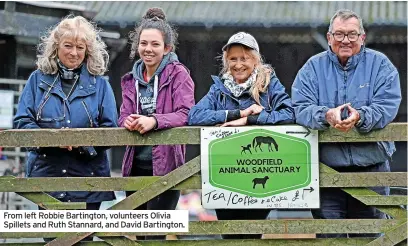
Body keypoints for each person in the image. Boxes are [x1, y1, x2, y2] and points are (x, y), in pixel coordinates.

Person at [291, 9, 401, 238]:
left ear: (362, 37)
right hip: (325, 169)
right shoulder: (312, 68)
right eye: (339, 34)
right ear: (329, 37)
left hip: (372, 166)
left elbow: (388, 104)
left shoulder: (381, 65)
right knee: (329, 237)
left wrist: (361, 116)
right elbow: (300, 107)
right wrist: (325, 116)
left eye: (352, 34)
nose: (345, 40)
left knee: (370, 236)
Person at [188, 32, 295, 239]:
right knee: (228, 235)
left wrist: (251, 120)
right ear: (226, 61)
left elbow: (289, 113)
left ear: (255, 59)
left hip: (260, 167)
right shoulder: (218, 89)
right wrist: (238, 113)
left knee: (253, 234)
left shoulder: (270, 85)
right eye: (233, 59)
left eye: (244, 58)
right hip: (225, 173)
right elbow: (195, 115)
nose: (238, 64)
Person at [13, 16, 118, 211]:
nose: (74, 53)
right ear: (56, 47)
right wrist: (51, 139)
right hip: (47, 177)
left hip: (90, 179)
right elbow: (22, 122)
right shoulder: (37, 80)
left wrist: (82, 142)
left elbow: (110, 128)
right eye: (68, 46)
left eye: (80, 47)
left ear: (88, 50)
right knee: (53, 239)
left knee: (84, 239)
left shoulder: (101, 85)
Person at [118, 7, 195, 240]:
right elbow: (123, 114)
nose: (148, 49)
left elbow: (187, 112)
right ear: (137, 46)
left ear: (167, 48)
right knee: (137, 233)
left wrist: (154, 120)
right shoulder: (130, 79)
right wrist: (128, 120)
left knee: (156, 234)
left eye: (155, 44)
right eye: (143, 44)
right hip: (135, 165)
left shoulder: (179, 75)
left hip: (167, 166)